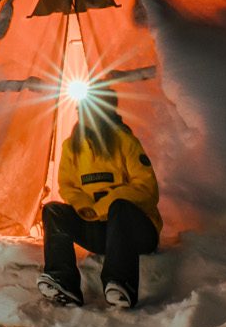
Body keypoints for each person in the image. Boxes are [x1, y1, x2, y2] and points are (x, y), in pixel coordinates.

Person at [39, 95, 160, 309]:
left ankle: (121, 284)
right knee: (53, 211)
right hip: (101, 230)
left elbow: (146, 188)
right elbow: (68, 185)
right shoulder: (72, 147)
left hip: (136, 232)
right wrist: (84, 207)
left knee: (120, 207)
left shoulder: (125, 141)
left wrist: (104, 207)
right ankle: (62, 281)